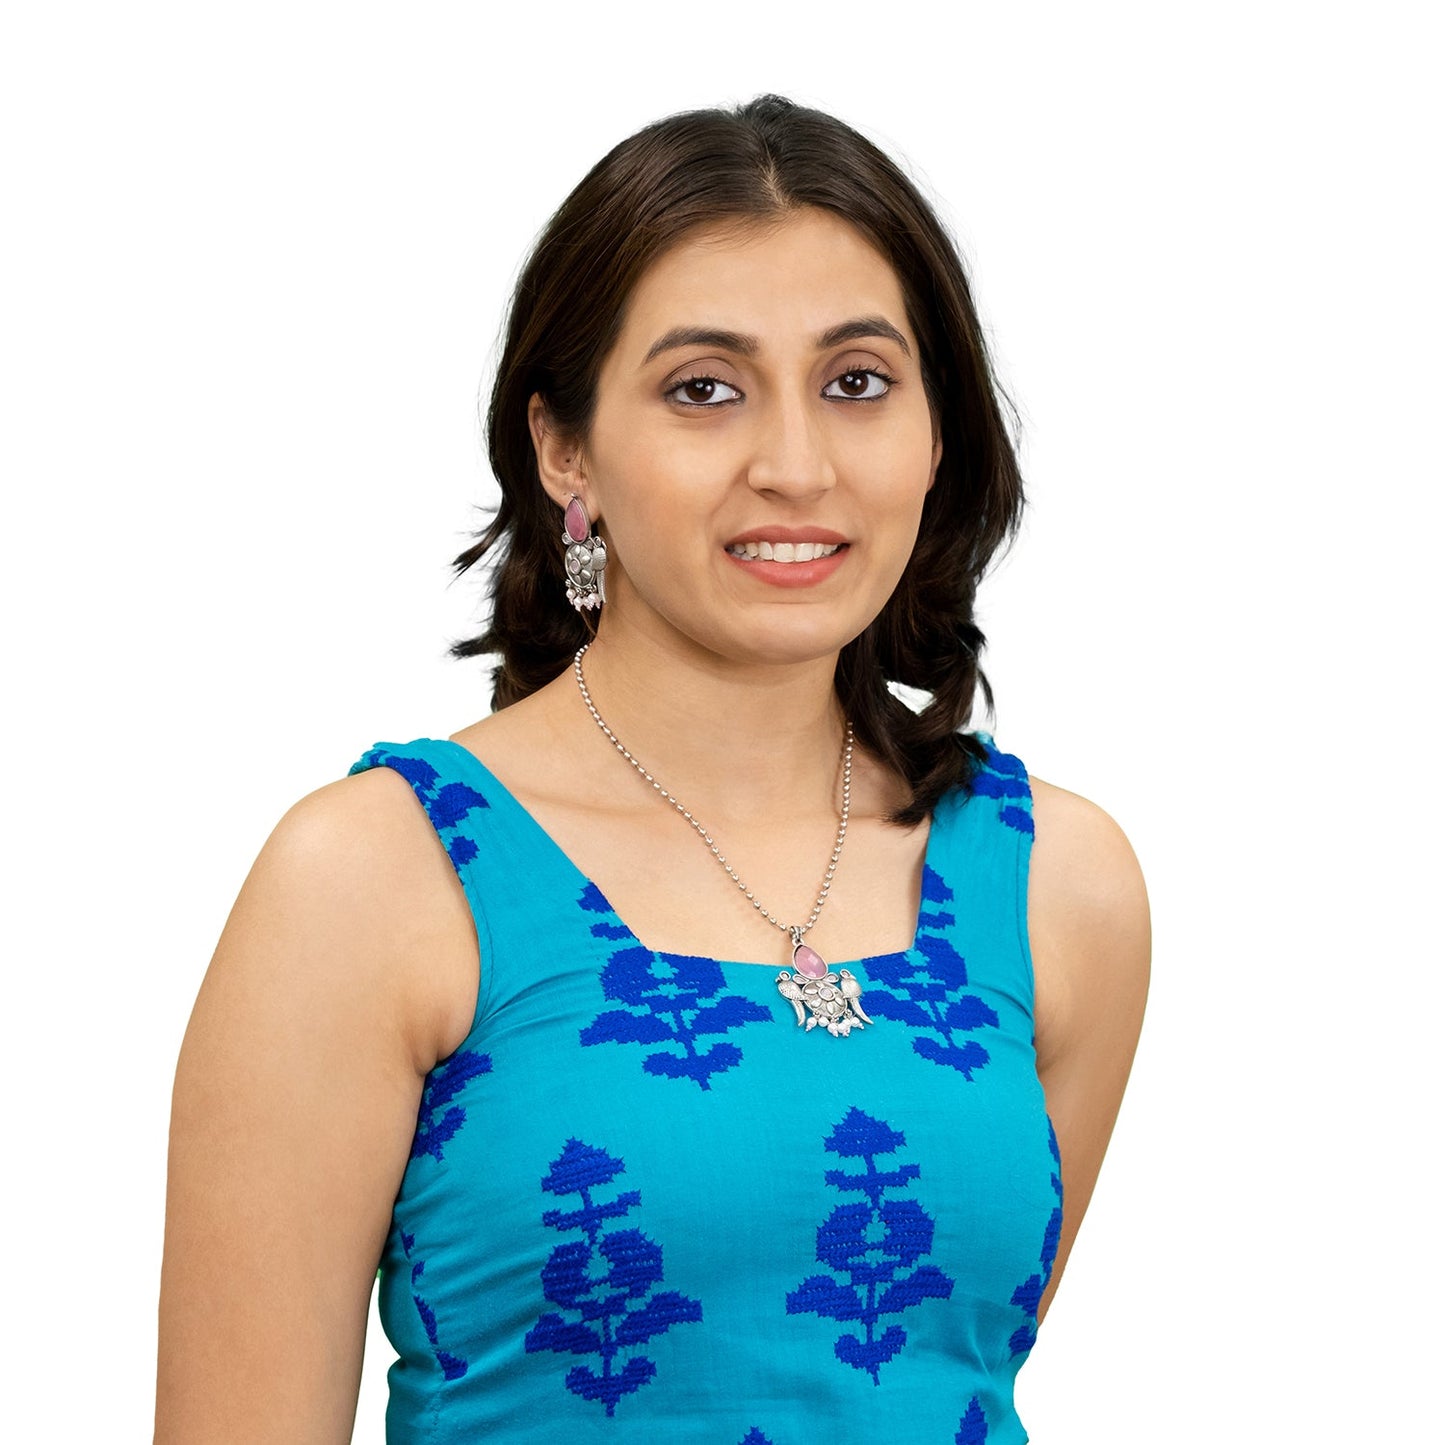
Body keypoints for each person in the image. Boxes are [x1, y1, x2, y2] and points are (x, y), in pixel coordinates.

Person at [155, 95, 1150, 1445]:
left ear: (936, 435)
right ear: (564, 449)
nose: (794, 465)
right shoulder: (373, 880)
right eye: (704, 390)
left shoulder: (1055, 886)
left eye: (857, 382)